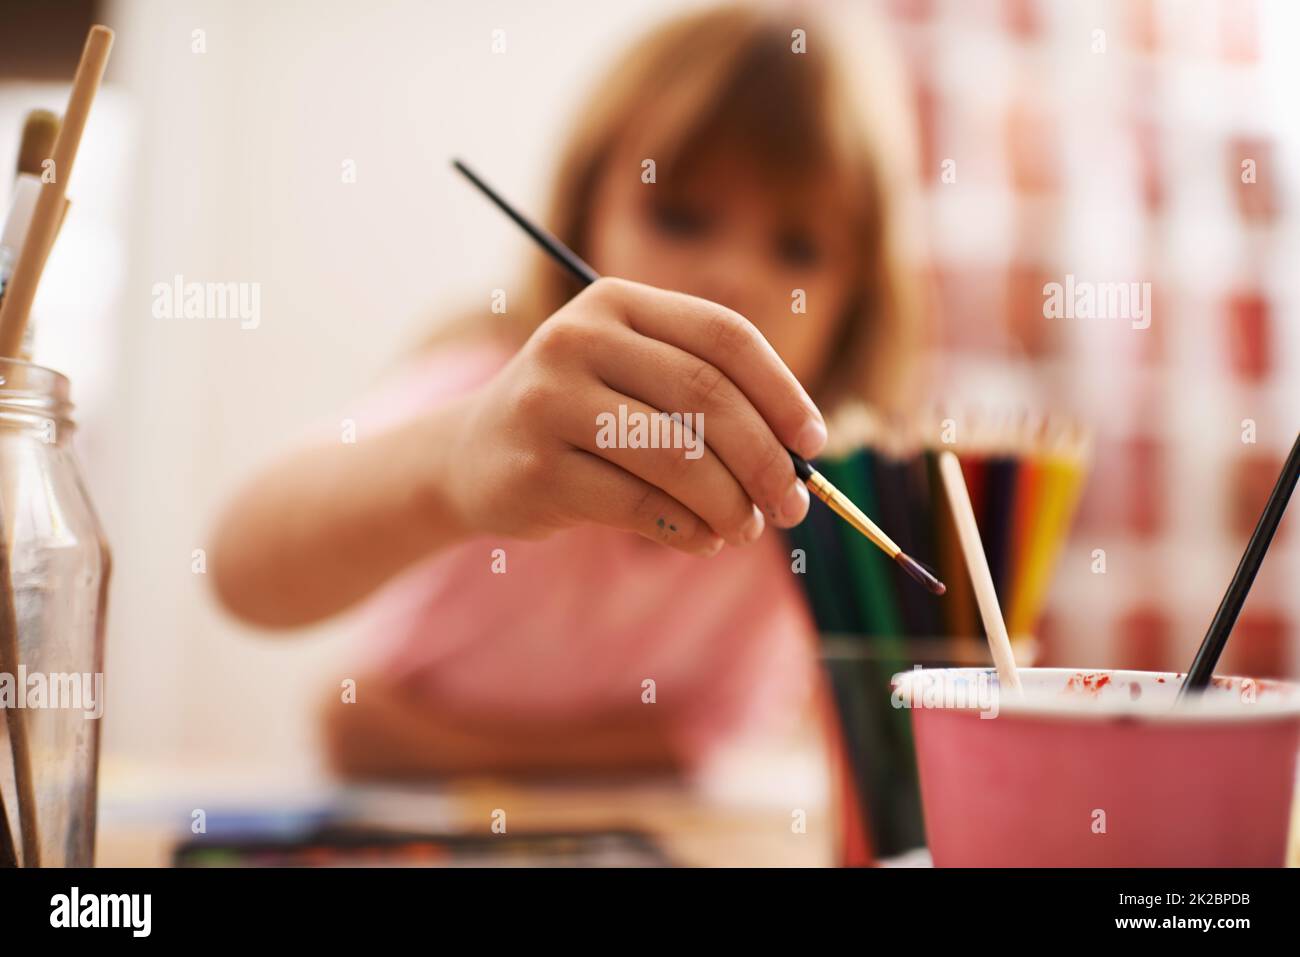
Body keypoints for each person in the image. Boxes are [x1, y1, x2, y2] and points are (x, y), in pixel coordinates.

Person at [210, 3, 920, 778]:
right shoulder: (505, 399)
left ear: (856, 306)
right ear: (583, 217)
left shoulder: (805, 516)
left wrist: (430, 745)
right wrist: (452, 465)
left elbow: (697, 749)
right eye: (681, 216)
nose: (734, 277)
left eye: (798, 246)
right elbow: (239, 565)